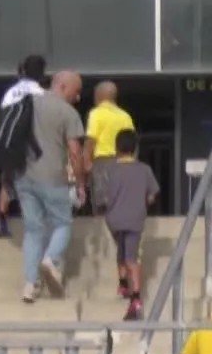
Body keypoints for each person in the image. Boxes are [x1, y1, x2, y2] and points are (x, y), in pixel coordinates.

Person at [18, 71, 86, 303]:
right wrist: (79, 183)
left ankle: (30, 284)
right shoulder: (68, 113)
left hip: (24, 177)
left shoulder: (28, 104)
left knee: (33, 230)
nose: (78, 97)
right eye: (76, 92)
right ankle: (51, 259)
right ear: (63, 86)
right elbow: (75, 152)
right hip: (53, 177)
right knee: (63, 223)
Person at [94, 128, 158, 318]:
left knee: (121, 251)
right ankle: (136, 296)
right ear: (135, 149)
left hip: (114, 219)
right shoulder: (144, 170)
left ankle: (123, 284)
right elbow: (152, 196)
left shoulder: (109, 171)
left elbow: (104, 198)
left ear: (116, 148)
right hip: (135, 219)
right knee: (132, 257)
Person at [0, 54, 47, 240]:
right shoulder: (41, 93)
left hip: (11, 142)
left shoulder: (11, 92)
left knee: (8, 182)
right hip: (33, 145)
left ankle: (1, 218)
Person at [84, 81, 134, 213]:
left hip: (103, 163)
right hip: (123, 162)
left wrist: (87, 163)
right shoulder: (125, 116)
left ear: (99, 96)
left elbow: (91, 140)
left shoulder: (96, 113)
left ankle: (104, 230)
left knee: (102, 203)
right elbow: (132, 141)